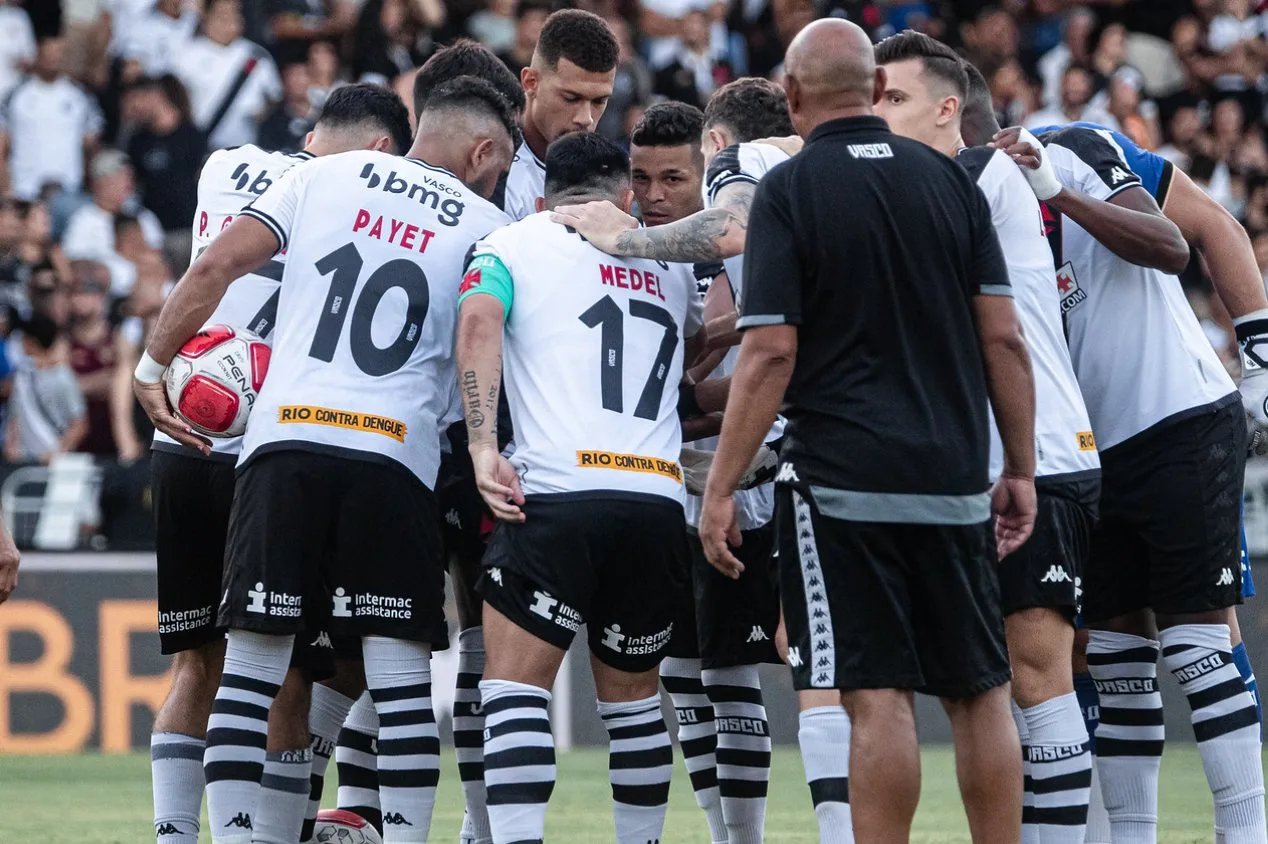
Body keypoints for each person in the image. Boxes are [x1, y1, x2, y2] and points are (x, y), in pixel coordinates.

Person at [136, 77, 505, 844]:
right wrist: (481, 442)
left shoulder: (315, 174)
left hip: (285, 447)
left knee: (249, 673)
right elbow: (483, 334)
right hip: (392, 457)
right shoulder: (487, 222)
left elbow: (213, 268)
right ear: (483, 151)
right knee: (401, 688)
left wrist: (150, 369)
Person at [698, 18, 1036, 843]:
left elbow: (770, 350)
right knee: (979, 690)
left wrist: (720, 486)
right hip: (954, 477)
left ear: (792, 96)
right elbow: (1005, 337)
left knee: (876, 694)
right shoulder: (951, 180)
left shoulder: (791, 190)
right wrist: (1018, 469)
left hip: (842, 482)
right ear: (876, 91)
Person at [981, 118, 1268, 844]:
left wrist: (1262, 352)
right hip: (1084, 454)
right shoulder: (953, 203)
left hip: (1177, 416)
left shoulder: (1068, 148)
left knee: (1198, 647)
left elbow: (1190, 236)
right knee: (1115, 662)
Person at [553, 77, 806, 843]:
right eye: (641, 178)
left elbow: (771, 361)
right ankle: (721, 831)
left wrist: (686, 400)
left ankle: (748, 836)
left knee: (732, 673)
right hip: (664, 491)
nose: (656, 197)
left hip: (742, 481)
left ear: (708, 173)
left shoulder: (729, 242)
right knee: (680, 677)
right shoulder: (622, 257)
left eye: (674, 179)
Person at [874, 31, 1102, 844]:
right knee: (997, 687)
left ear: (948, 111)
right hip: (994, 465)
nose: (875, 115)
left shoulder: (986, 172)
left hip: (1040, 460)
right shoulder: (933, 188)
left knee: (1035, 683)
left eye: (892, 99)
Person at [456, 131, 702, 844]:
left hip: (558, 494)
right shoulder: (669, 259)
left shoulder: (516, 240)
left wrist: (480, 445)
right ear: (625, 193)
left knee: (514, 692)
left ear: (542, 196)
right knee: (633, 706)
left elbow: (478, 317)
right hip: (655, 500)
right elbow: (695, 347)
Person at [501, 9, 619, 221]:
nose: (586, 119)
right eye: (571, 98)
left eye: (599, 101)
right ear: (531, 83)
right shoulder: (491, 168)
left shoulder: (611, 176)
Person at [0, 34, 103, 201]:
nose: (53, 58)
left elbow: (91, 145)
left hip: (70, 188)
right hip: (24, 189)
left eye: (58, 53)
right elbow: (2, 143)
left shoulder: (80, 95)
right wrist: (5, 185)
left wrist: (89, 185)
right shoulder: (15, 95)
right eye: (48, 53)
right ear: (37, 55)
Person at [172, 0, 282, 151]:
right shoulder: (185, 56)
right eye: (222, 14)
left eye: (235, 13)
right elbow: (174, 102)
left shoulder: (258, 55)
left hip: (248, 151)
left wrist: (263, 112)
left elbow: (277, 98)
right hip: (200, 148)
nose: (229, 19)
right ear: (206, 18)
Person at [61, 149, 166, 297]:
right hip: (102, 295)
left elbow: (157, 256)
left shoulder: (143, 217)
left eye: (129, 177)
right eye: (119, 177)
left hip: (145, 288)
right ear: (99, 183)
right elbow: (74, 262)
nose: (127, 183)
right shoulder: (83, 220)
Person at [5, 309, 87, 465]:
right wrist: (11, 446)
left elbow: (79, 424)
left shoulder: (63, 377)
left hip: (54, 462)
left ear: (32, 342)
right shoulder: (21, 377)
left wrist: (57, 453)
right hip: (23, 462)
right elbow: (15, 417)